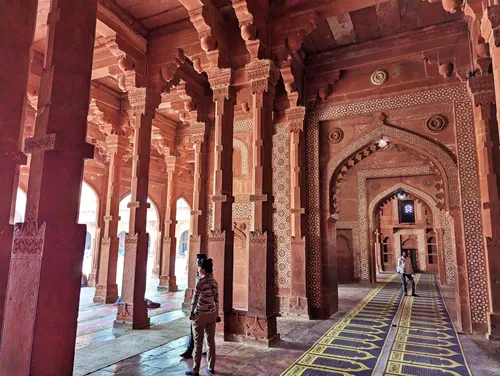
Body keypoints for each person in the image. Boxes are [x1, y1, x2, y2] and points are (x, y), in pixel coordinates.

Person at [185, 258, 218, 376]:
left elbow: (195, 299)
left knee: (198, 343)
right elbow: (216, 300)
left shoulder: (200, 282)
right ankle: (210, 367)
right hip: (212, 314)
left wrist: (191, 312)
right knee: (210, 342)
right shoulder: (214, 282)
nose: (198, 270)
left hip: (200, 315)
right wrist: (216, 314)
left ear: (203, 269)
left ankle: (195, 370)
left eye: (199, 268)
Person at [180, 253, 207, 359]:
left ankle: (191, 350)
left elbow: (197, 295)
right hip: (206, 308)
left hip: (201, 308)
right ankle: (199, 350)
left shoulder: (203, 277)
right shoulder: (204, 276)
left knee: (194, 328)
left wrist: (192, 310)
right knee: (201, 330)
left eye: (198, 261)